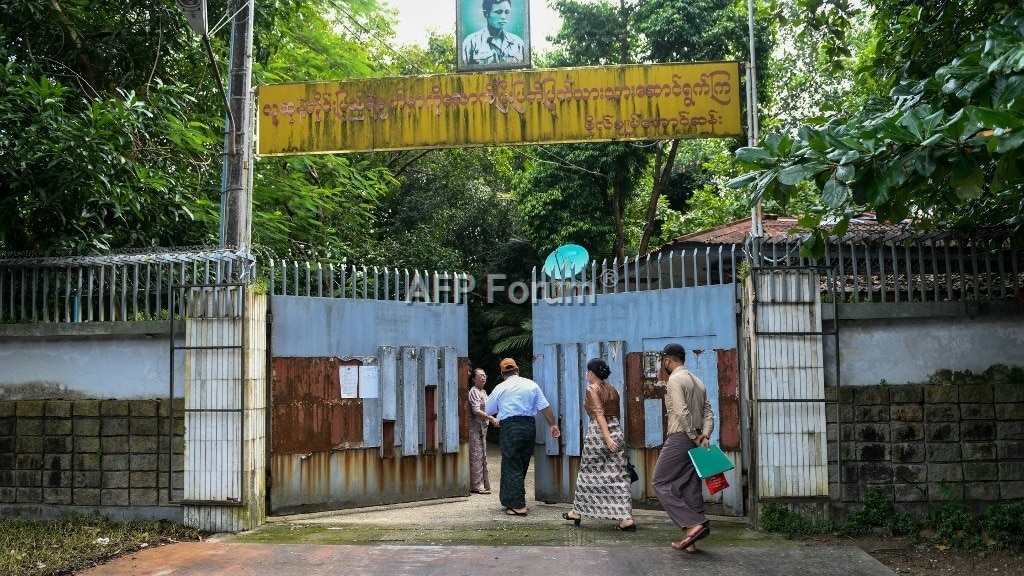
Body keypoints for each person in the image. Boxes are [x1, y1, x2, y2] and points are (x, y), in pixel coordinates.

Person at [652, 343, 715, 553]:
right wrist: (705, 435)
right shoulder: (698, 381)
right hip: (696, 437)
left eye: (664, 361)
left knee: (659, 482)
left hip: (681, 436)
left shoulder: (674, 379)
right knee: (689, 484)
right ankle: (692, 539)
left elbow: (681, 411)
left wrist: (693, 436)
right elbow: (708, 413)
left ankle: (692, 523)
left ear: (667, 360)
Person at [561, 358, 636, 531]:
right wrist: (613, 436)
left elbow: (599, 414)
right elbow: (615, 415)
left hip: (599, 434)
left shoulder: (592, 389)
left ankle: (577, 512)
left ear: (592, 373)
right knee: (618, 475)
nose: (587, 375)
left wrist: (607, 438)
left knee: (588, 473)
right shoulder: (614, 390)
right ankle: (626, 517)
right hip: (616, 430)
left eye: (588, 372)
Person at [484, 357, 561, 516]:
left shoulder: (500, 387)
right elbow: (544, 406)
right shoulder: (531, 385)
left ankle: (518, 505)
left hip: (510, 426)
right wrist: (553, 425)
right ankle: (511, 501)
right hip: (528, 426)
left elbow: (488, 410)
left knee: (511, 464)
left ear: (502, 373)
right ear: (517, 370)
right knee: (522, 463)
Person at [460, 0, 526, 66]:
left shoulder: (518, 43)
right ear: (486, 14)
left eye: (507, 12)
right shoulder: (471, 42)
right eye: (498, 12)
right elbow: (463, 73)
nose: (503, 16)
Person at [468, 367, 499, 494]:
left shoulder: (484, 392)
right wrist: (491, 418)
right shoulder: (474, 391)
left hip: (482, 427)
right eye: (480, 375)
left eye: (484, 375)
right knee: (476, 455)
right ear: (474, 379)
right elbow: (476, 411)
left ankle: (483, 483)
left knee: (482, 455)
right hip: (475, 427)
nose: (483, 377)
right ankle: (477, 485)